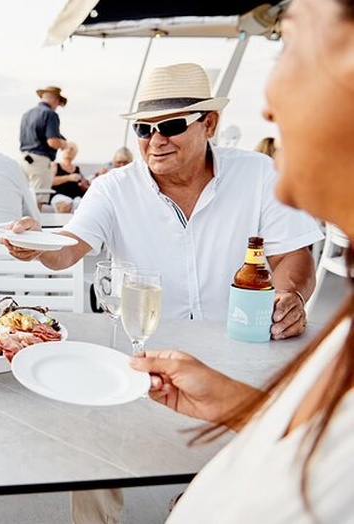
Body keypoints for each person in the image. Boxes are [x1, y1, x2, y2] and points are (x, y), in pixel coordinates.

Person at [2, 62, 324, 523]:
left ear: (208, 124)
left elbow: (294, 256)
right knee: (89, 437)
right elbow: (69, 249)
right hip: (142, 354)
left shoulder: (257, 174)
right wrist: (35, 246)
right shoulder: (115, 187)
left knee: (275, 451)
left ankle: (199, 503)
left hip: (238, 352)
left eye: (172, 125)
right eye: (144, 129)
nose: (156, 140)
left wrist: (288, 296)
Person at [131, 0, 354, 521]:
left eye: (288, 39)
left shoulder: (252, 174)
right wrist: (238, 405)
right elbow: (329, 445)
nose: (270, 106)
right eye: (145, 128)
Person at [18, 86, 69, 203]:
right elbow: (52, 142)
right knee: (38, 201)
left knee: (24, 199)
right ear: (56, 100)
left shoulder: (27, 114)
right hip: (39, 161)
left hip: (23, 160)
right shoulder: (50, 114)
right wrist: (64, 144)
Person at [49, 141, 90, 213]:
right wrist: (69, 177)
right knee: (65, 206)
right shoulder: (55, 165)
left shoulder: (77, 168)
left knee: (83, 205)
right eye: (67, 148)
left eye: (72, 149)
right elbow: (50, 181)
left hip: (76, 197)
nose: (69, 151)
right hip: (59, 195)